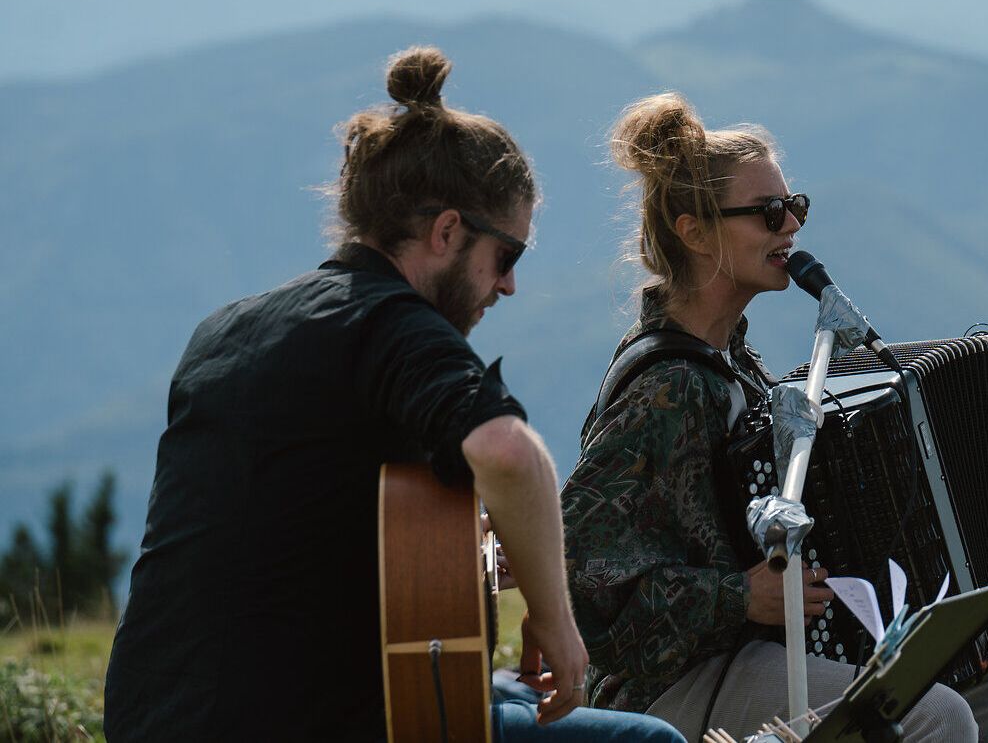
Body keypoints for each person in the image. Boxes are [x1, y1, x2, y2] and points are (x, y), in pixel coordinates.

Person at [104, 48, 683, 742]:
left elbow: (302, 535)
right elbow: (505, 452)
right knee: (650, 740)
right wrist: (554, 619)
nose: (509, 286)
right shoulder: (392, 324)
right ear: (446, 231)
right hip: (304, 719)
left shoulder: (227, 329)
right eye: (508, 257)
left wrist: (476, 563)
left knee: (503, 693)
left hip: (152, 713)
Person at [561, 93, 988, 743]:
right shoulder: (667, 388)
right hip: (670, 683)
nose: (790, 227)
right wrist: (738, 598)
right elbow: (577, 565)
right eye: (769, 212)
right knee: (935, 718)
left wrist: (975, 519)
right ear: (694, 230)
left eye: (795, 205)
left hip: (756, 652)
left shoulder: (735, 363)